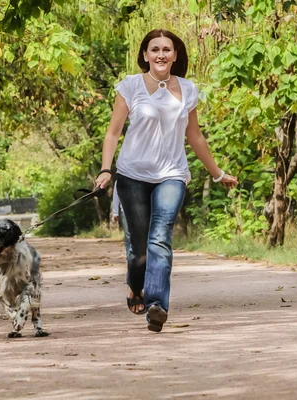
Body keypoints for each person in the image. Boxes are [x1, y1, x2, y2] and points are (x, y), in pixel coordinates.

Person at [95, 29, 237, 332]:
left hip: (172, 174)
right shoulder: (130, 86)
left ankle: (157, 303)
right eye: (154, 49)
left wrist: (218, 173)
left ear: (175, 55)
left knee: (160, 238)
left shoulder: (187, 89)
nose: (161, 54)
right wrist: (106, 169)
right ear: (145, 55)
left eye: (167, 50)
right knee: (138, 246)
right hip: (132, 175)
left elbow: (195, 136)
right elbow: (112, 132)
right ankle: (135, 284)